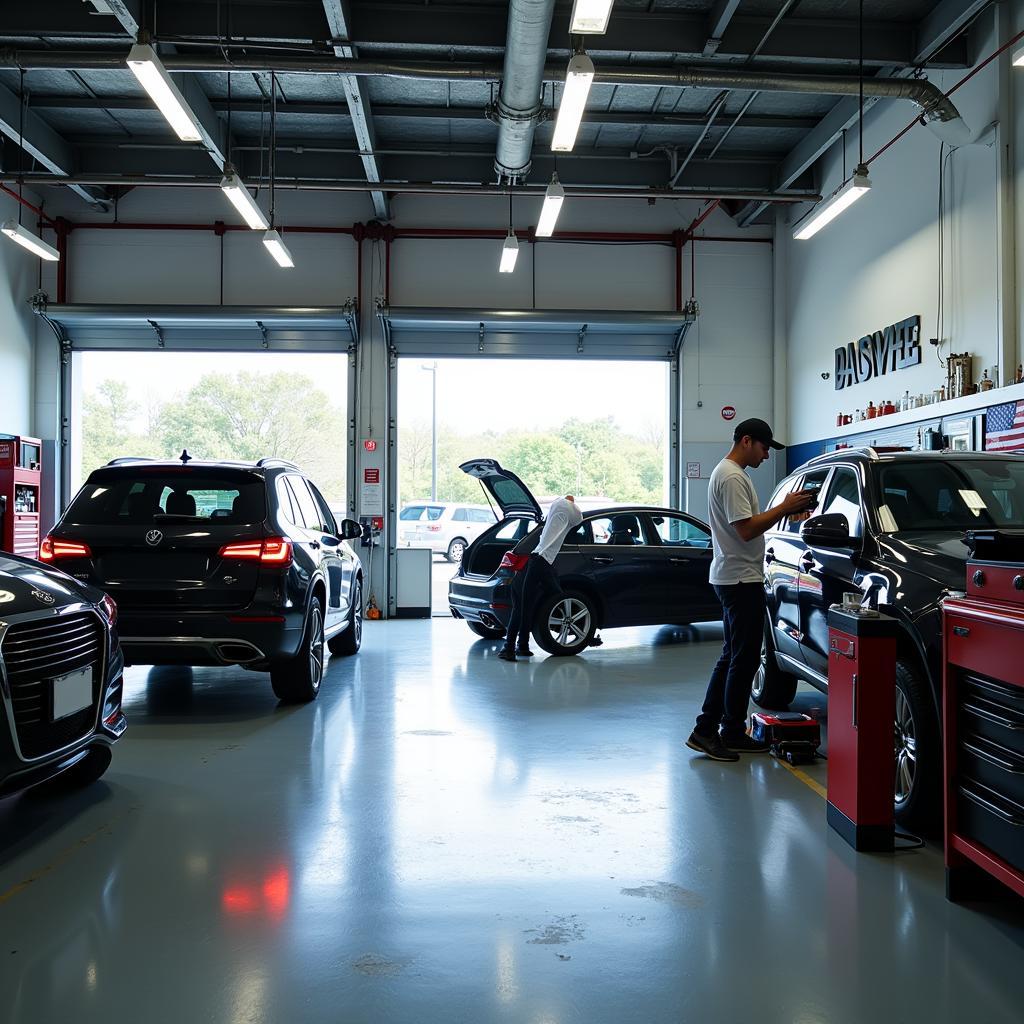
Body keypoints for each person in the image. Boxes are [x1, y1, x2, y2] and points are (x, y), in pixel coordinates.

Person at [686, 418, 817, 762]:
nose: (765, 456)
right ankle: (706, 729)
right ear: (746, 441)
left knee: (735, 657)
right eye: (763, 448)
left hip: (735, 576)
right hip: (740, 580)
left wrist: (788, 515)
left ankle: (730, 730)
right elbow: (745, 530)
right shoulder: (730, 476)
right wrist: (783, 508)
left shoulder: (731, 474)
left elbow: (747, 527)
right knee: (739, 661)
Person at [498, 494, 584, 661]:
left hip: (535, 560)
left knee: (524, 605)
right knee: (554, 599)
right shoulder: (567, 508)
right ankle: (508, 648)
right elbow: (579, 519)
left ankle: (521, 645)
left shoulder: (555, 509)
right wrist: (572, 503)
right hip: (541, 562)